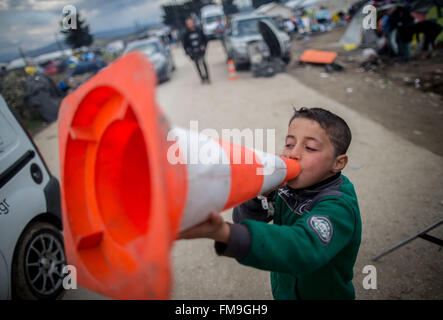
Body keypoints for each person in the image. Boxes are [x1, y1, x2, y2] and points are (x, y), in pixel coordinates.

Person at [179, 107, 362, 300]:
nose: (294, 154)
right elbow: (243, 220)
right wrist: (262, 195)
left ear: (338, 163)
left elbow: (302, 247)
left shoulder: (338, 206)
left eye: (310, 148)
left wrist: (222, 233)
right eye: (290, 144)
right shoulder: (285, 185)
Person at [183, 17, 210, 84]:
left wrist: (204, 45)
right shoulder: (186, 34)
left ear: (193, 23)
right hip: (193, 52)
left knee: (203, 63)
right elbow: (185, 44)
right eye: (188, 23)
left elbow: (205, 39)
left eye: (191, 22)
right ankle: (202, 78)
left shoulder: (199, 30)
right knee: (197, 65)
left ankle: (207, 77)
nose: (190, 24)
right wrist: (188, 52)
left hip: (200, 51)